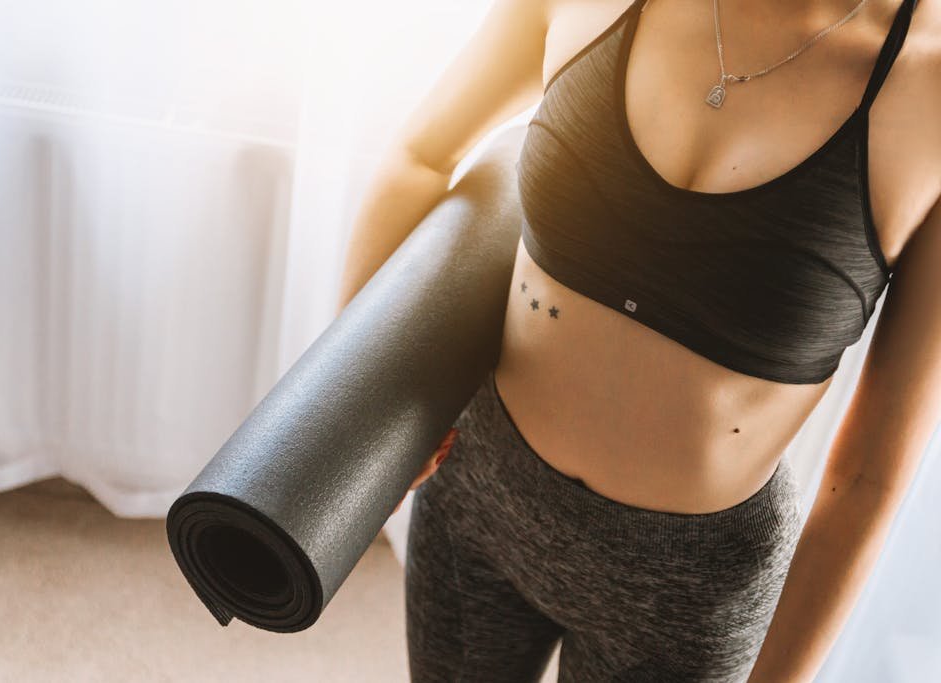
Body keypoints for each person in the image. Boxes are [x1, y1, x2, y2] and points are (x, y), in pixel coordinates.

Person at [336, 0, 940, 680]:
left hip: (688, 598)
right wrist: (365, 425)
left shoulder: (930, 89)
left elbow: (865, 479)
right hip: (479, 499)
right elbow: (420, 157)